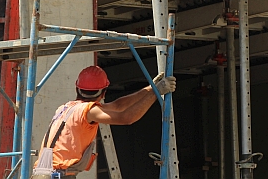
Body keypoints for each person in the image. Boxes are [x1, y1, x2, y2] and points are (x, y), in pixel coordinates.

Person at [36, 65, 176, 178]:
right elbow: (127, 118)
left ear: (77, 88)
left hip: (42, 175)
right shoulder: (88, 111)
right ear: (104, 93)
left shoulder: (66, 108)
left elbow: (118, 106)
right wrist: (155, 93)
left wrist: (151, 88)